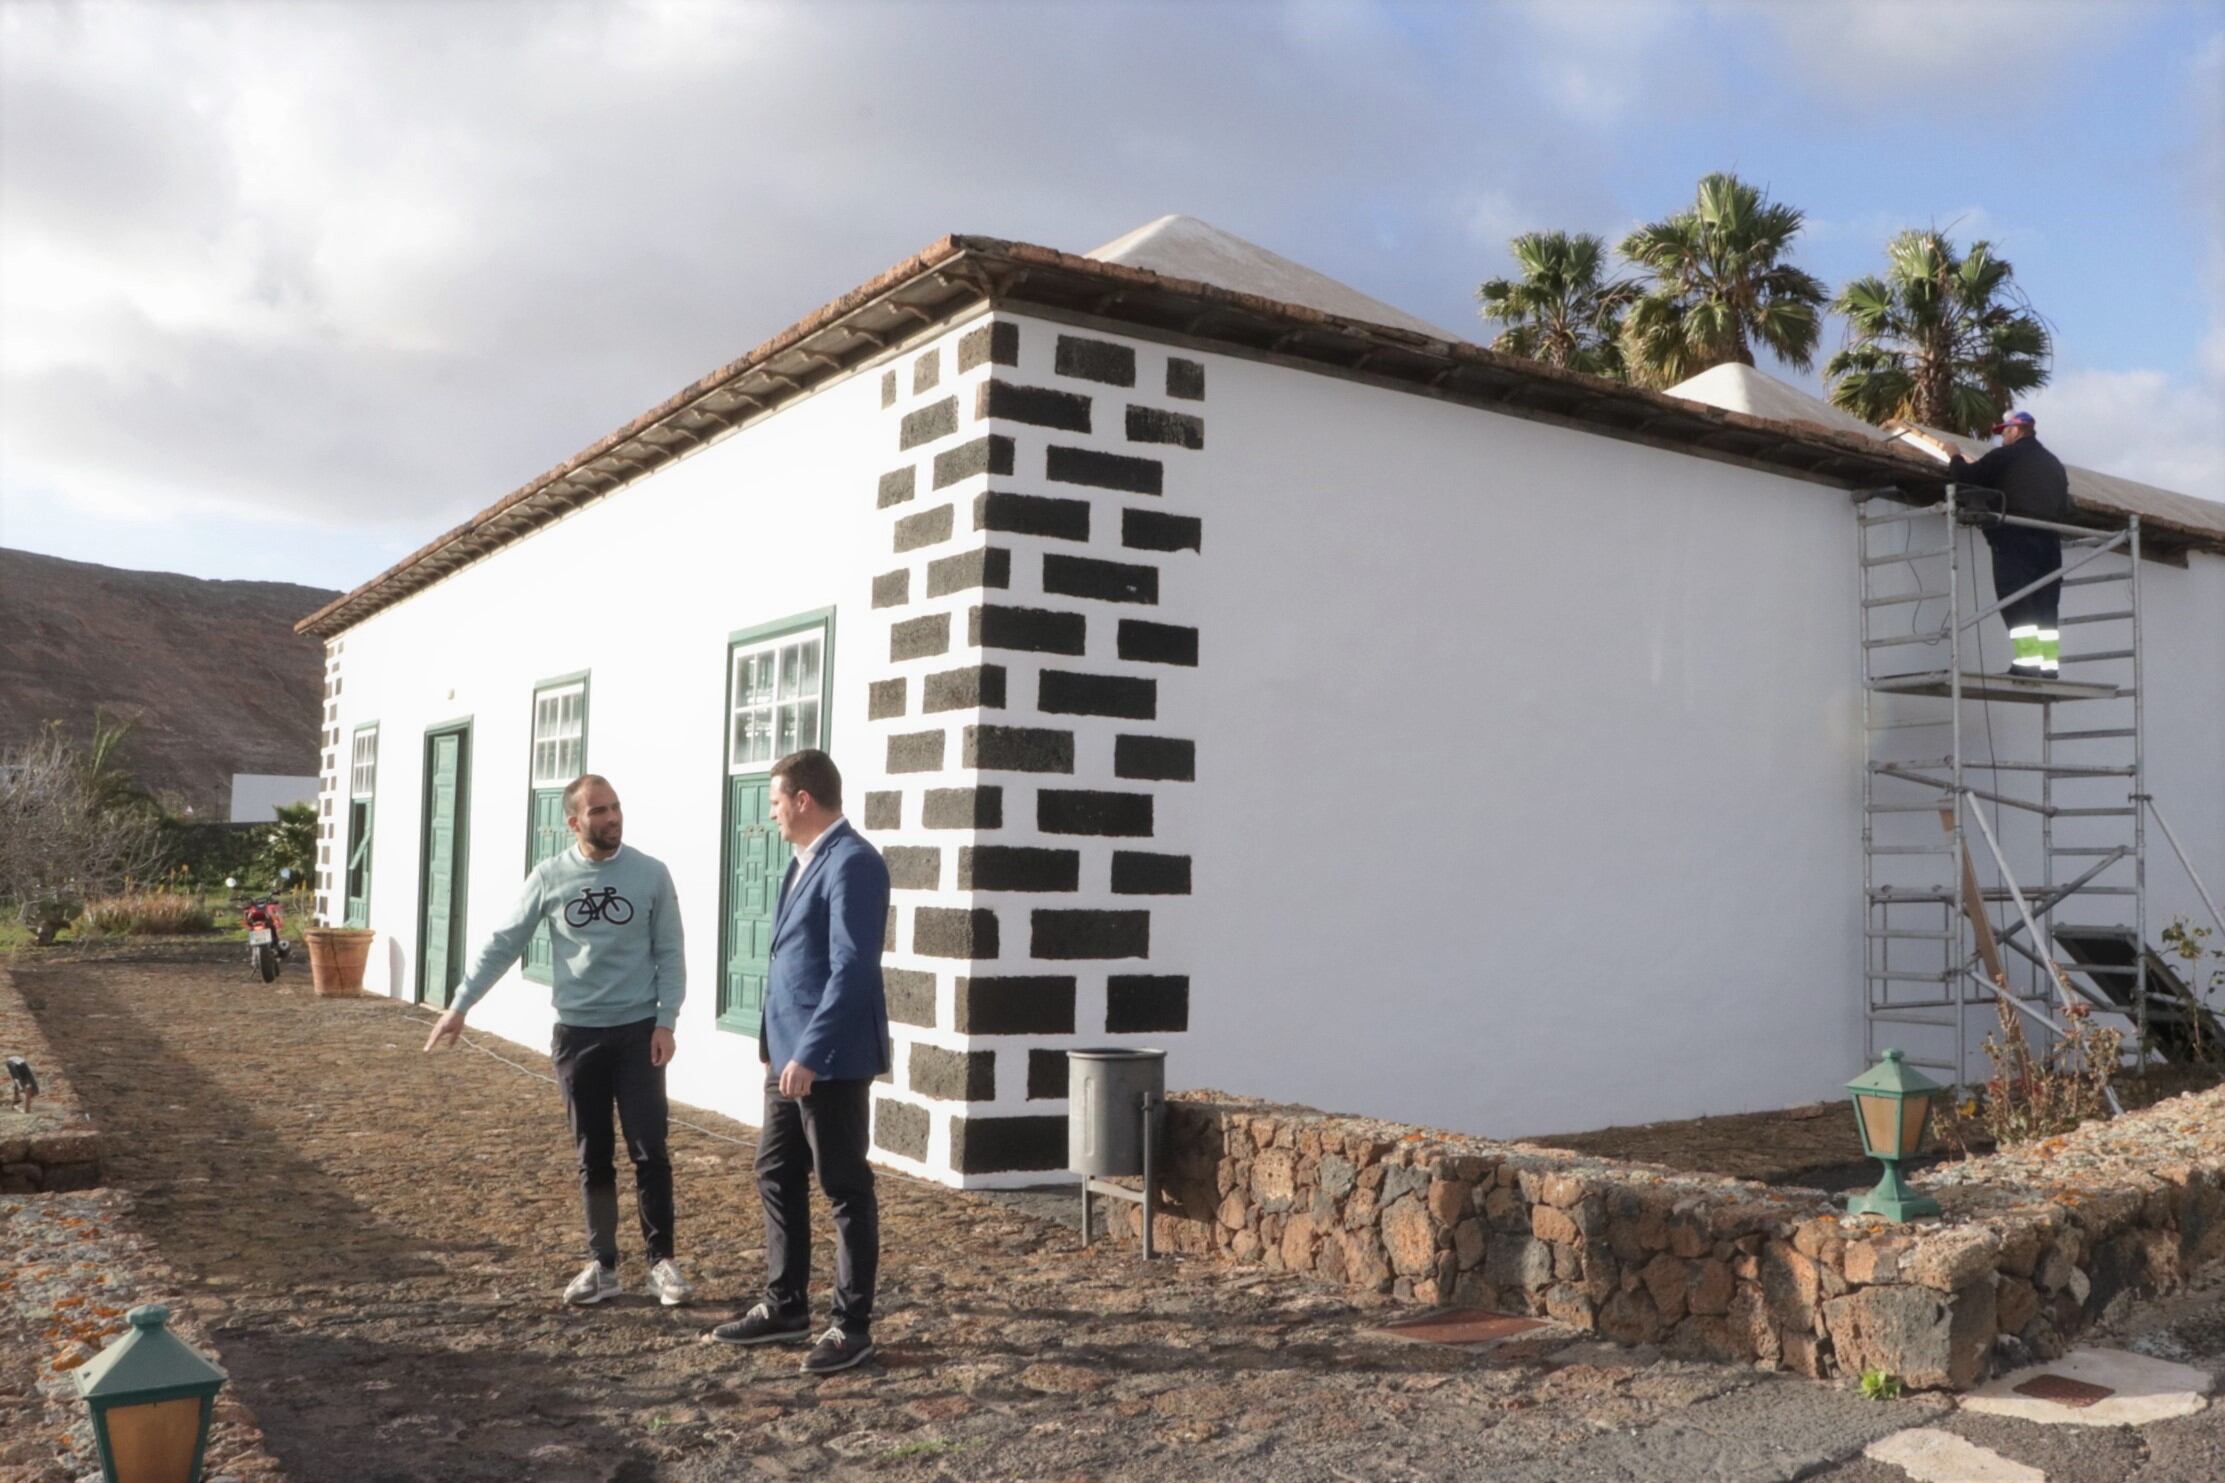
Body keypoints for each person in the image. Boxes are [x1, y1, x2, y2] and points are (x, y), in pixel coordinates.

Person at [423, 773, 692, 1309]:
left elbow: (671, 951)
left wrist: (667, 1021)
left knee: (649, 1150)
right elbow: (504, 942)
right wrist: (460, 1006)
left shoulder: (651, 874)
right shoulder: (549, 877)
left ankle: (661, 1262)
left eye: (615, 807)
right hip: (577, 1034)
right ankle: (604, 1265)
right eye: (598, 811)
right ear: (573, 822)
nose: (611, 818)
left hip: (639, 1032)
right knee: (592, 1154)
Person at [708, 748, 891, 1375]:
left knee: (843, 1187)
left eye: (776, 802)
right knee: (776, 1172)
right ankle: (786, 1305)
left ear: (804, 800)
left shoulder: (854, 863)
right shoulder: (804, 861)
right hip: (786, 1057)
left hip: (829, 1059)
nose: (773, 814)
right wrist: (779, 1045)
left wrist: (810, 1051)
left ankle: (851, 1325)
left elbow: (853, 968)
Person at [1947, 410, 2072, 677]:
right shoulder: (2054, 464)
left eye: (2004, 433)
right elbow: (2065, 505)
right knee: (2045, 603)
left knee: (2016, 598)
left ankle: (2027, 664)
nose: (2002, 439)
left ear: (2016, 431)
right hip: (2049, 540)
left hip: (2015, 536)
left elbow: (1965, 477)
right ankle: (2048, 668)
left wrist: (1954, 455)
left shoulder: (2007, 456)